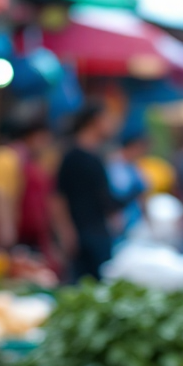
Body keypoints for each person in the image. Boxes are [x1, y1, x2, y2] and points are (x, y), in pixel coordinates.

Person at [52, 103, 125, 281]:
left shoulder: (96, 155)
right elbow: (57, 198)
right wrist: (66, 231)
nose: (110, 124)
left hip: (98, 230)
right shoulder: (72, 156)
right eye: (107, 119)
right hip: (82, 233)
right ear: (95, 121)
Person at [0, 119, 61, 271]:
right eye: (44, 138)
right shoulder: (4, 157)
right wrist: (5, 232)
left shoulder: (32, 160)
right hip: (12, 235)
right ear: (32, 136)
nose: (47, 144)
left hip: (31, 235)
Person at [106, 131, 149, 246]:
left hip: (135, 219)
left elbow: (142, 194)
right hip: (120, 218)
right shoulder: (115, 165)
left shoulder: (135, 166)